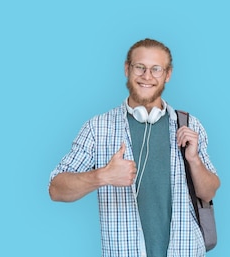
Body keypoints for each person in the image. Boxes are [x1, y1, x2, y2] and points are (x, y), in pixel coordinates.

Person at [49, 38, 220, 257]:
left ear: (168, 74)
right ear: (127, 69)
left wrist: (194, 160)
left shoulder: (188, 125)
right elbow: (56, 188)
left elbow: (209, 192)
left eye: (156, 69)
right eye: (140, 67)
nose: (147, 76)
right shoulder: (98, 128)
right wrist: (103, 176)